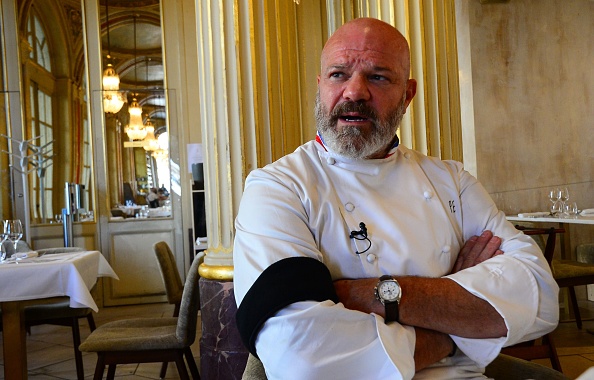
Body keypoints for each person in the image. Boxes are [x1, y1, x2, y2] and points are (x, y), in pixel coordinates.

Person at [233, 17, 559, 379]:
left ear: (407, 94)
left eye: (378, 76)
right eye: (339, 74)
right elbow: (303, 360)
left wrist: (369, 294)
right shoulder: (278, 187)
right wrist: (454, 327)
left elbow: (540, 298)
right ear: (320, 86)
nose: (354, 92)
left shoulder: (451, 181)